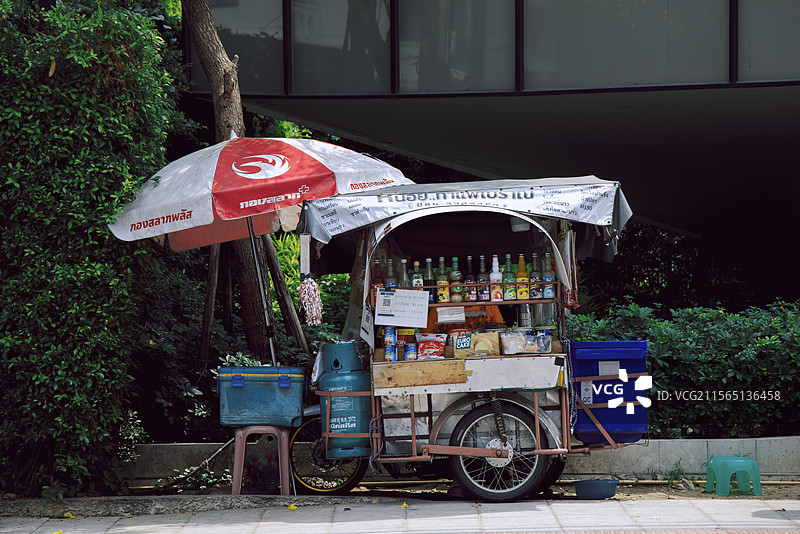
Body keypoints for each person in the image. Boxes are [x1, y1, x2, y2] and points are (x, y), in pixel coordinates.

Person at [422, 304, 505, 333]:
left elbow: (500, 330)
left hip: (483, 352)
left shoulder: (489, 305)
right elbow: (427, 335)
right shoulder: (439, 307)